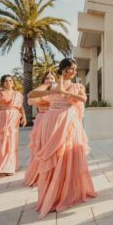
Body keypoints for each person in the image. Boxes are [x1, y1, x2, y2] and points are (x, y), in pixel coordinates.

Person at [26, 58, 95, 216]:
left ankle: (68, 192)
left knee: (67, 154)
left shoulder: (78, 85)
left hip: (68, 120)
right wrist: (52, 91)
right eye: (72, 69)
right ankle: (53, 194)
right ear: (64, 69)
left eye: (76, 70)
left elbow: (83, 99)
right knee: (54, 156)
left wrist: (65, 92)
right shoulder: (51, 84)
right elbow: (31, 94)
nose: (74, 72)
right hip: (51, 120)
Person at [0, 74, 26, 177]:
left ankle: (10, 167)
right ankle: (1, 166)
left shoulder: (18, 94)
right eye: (6, 81)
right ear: (3, 83)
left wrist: (24, 117)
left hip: (14, 119)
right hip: (1, 119)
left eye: (10, 80)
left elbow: (21, 107)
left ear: (13, 82)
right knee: (2, 142)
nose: (8, 82)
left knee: (12, 142)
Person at [23, 71, 57, 187]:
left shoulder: (58, 91)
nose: (50, 80)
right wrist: (45, 87)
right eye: (47, 78)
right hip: (42, 118)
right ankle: (39, 174)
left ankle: (53, 174)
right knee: (40, 145)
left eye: (52, 78)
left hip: (54, 120)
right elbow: (31, 97)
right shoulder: (39, 91)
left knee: (53, 146)